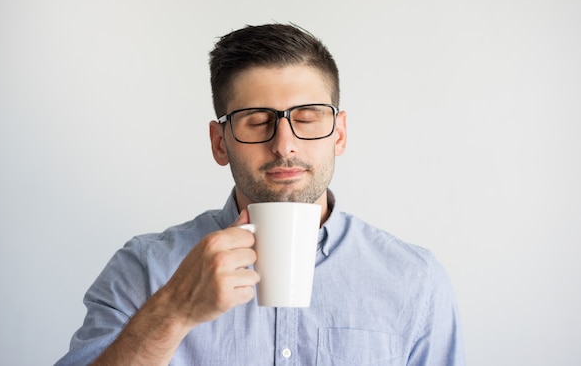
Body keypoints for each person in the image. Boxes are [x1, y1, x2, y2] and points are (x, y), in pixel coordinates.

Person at [56, 23, 465, 365]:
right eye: (256, 121)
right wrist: (173, 312)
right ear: (220, 142)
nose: (284, 144)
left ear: (339, 134)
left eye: (307, 118)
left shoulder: (414, 280)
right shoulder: (144, 270)